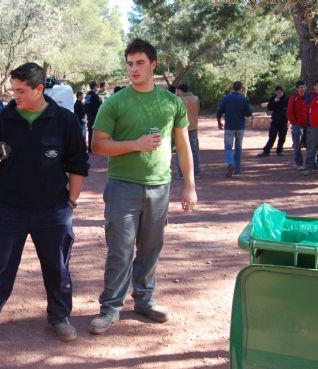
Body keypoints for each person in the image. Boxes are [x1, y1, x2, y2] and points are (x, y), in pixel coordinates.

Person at [0, 62, 89, 352]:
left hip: (53, 209)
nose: (14, 96)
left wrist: (70, 202)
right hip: (9, 208)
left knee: (57, 268)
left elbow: (78, 164)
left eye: (20, 91)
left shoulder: (64, 120)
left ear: (39, 89)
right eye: (13, 90)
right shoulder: (5, 118)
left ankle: (59, 317)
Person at [88, 39, 197, 335]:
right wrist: (134, 145)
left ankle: (144, 300)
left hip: (160, 186)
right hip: (123, 186)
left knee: (151, 248)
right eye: (129, 63)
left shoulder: (172, 102)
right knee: (120, 249)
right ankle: (110, 308)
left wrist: (189, 185)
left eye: (139, 63)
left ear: (153, 65)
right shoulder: (115, 102)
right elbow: (98, 145)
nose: (133, 69)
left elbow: (183, 145)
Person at [217, 81, 253, 177]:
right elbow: (249, 113)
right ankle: (237, 168)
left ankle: (230, 163)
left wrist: (219, 122)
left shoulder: (226, 98)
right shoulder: (244, 99)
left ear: (232, 88)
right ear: (241, 88)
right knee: (238, 147)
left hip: (229, 126)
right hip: (240, 126)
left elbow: (219, 111)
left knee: (228, 147)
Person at [175, 84, 201, 179]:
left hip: (181, 128)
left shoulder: (178, 100)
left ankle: (181, 173)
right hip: (193, 127)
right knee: (194, 150)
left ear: (180, 90)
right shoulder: (195, 98)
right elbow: (197, 111)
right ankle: (197, 172)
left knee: (180, 150)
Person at [257, 86, 289, 157]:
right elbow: (269, 108)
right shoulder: (272, 99)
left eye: (280, 92)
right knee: (272, 136)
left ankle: (279, 150)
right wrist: (275, 101)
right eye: (278, 92)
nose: (279, 93)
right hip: (275, 121)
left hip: (283, 121)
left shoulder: (286, 99)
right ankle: (266, 151)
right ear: (275, 92)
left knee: (282, 137)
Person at [287, 80, 308, 171]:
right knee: (297, 145)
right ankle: (299, 164)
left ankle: (313, 162)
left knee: (311, 145)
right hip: (298, 125)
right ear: (297, 89)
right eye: (300, 87)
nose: (302, 89)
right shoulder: (293, 98)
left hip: (309, 125)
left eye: (304, 87)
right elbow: (289, 112)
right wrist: (294, 123)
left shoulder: (309, 97)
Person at [303, 85, 318, 175]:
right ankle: (309, 168)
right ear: (314, 87)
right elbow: (308, 105)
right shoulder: (310, 96)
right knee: (311, 148)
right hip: (313, 127)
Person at [85, 81, 101, 152]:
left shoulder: (87, 95)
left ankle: (90, 148)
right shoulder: (95, 96)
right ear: (94, 87)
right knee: (95, 131)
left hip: (88, 115)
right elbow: (97, 108)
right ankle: (94, 147)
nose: (97, 88)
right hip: (94, 115)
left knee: (90, 131)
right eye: (96, 86)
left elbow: (86, 105)